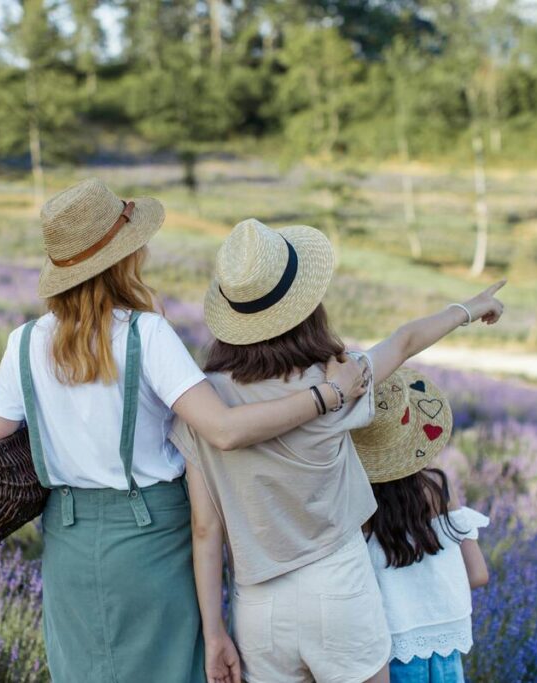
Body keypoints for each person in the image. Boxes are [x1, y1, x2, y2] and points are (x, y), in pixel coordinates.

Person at [0, 179, 368, 683]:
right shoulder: (144, 334)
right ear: (121, 260)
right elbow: (222, 430)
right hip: (149, 536)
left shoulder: (23, 343)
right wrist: (326, 397)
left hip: (67, 541)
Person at [171, 218, 505, 683]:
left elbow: (205, 531)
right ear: (306, 308)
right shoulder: (334, 381)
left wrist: (214, 633)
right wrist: (469, 309)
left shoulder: (205, 403)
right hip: (339, 586)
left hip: (258, 606)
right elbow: (404, 342)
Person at [353, 368, 490, 683]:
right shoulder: (437, 488)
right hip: (445, 655)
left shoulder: (357, 505)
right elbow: (478, 574)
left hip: (385, 657)